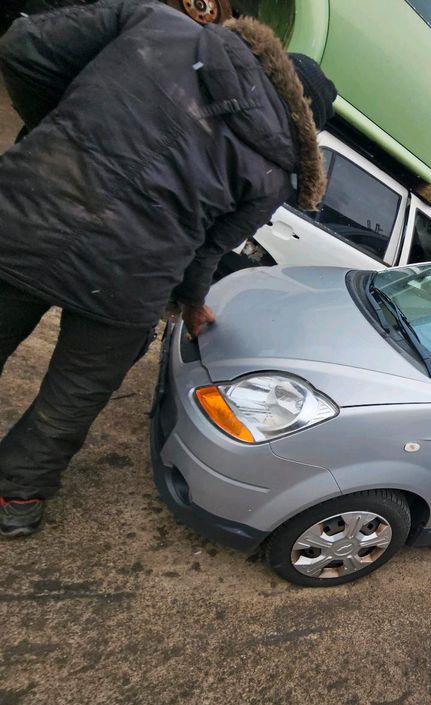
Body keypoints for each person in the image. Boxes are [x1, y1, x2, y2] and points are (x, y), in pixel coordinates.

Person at [0, 0, 336, 536]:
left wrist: (57, 133)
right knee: (74, 393)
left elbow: (23, 47)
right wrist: (192, 302)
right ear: (307, 123)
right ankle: (15, 498)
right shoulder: (276, 175)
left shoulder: (158, 25)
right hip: (127, 284)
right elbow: (207, 249)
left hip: (25, 215)